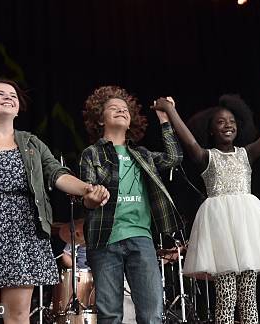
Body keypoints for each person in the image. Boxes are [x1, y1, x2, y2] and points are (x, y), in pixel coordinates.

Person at [0, 77, 109, 324]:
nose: (9, 97)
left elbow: (57, 174)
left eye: (13, 95)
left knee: (19, 316)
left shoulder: (31, 144)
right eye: (0, 93)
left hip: (24, 237)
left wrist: (87, 189)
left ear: (19, 107)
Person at [152, 72, 260, 324]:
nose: (228, 125)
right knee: (226, 297)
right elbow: (187, 138)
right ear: (211, 131)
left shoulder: (246, 154)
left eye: (231, 121)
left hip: (247, 230)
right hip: (221, 230)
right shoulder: (206, 156)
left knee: (248, 296)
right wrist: (170, 111)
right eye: (220, 122)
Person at [79, 85, 183, 324]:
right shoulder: (92, 153)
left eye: (125, 109)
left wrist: (165, 120)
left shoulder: (142, 154)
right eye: (113, 108)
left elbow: (174, 158)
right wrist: (91, 199)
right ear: (100, 120)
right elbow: (86, 192)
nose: (121, 111)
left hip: (141, 237)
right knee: (110, 315)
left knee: (151, 314)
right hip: (104, 239)